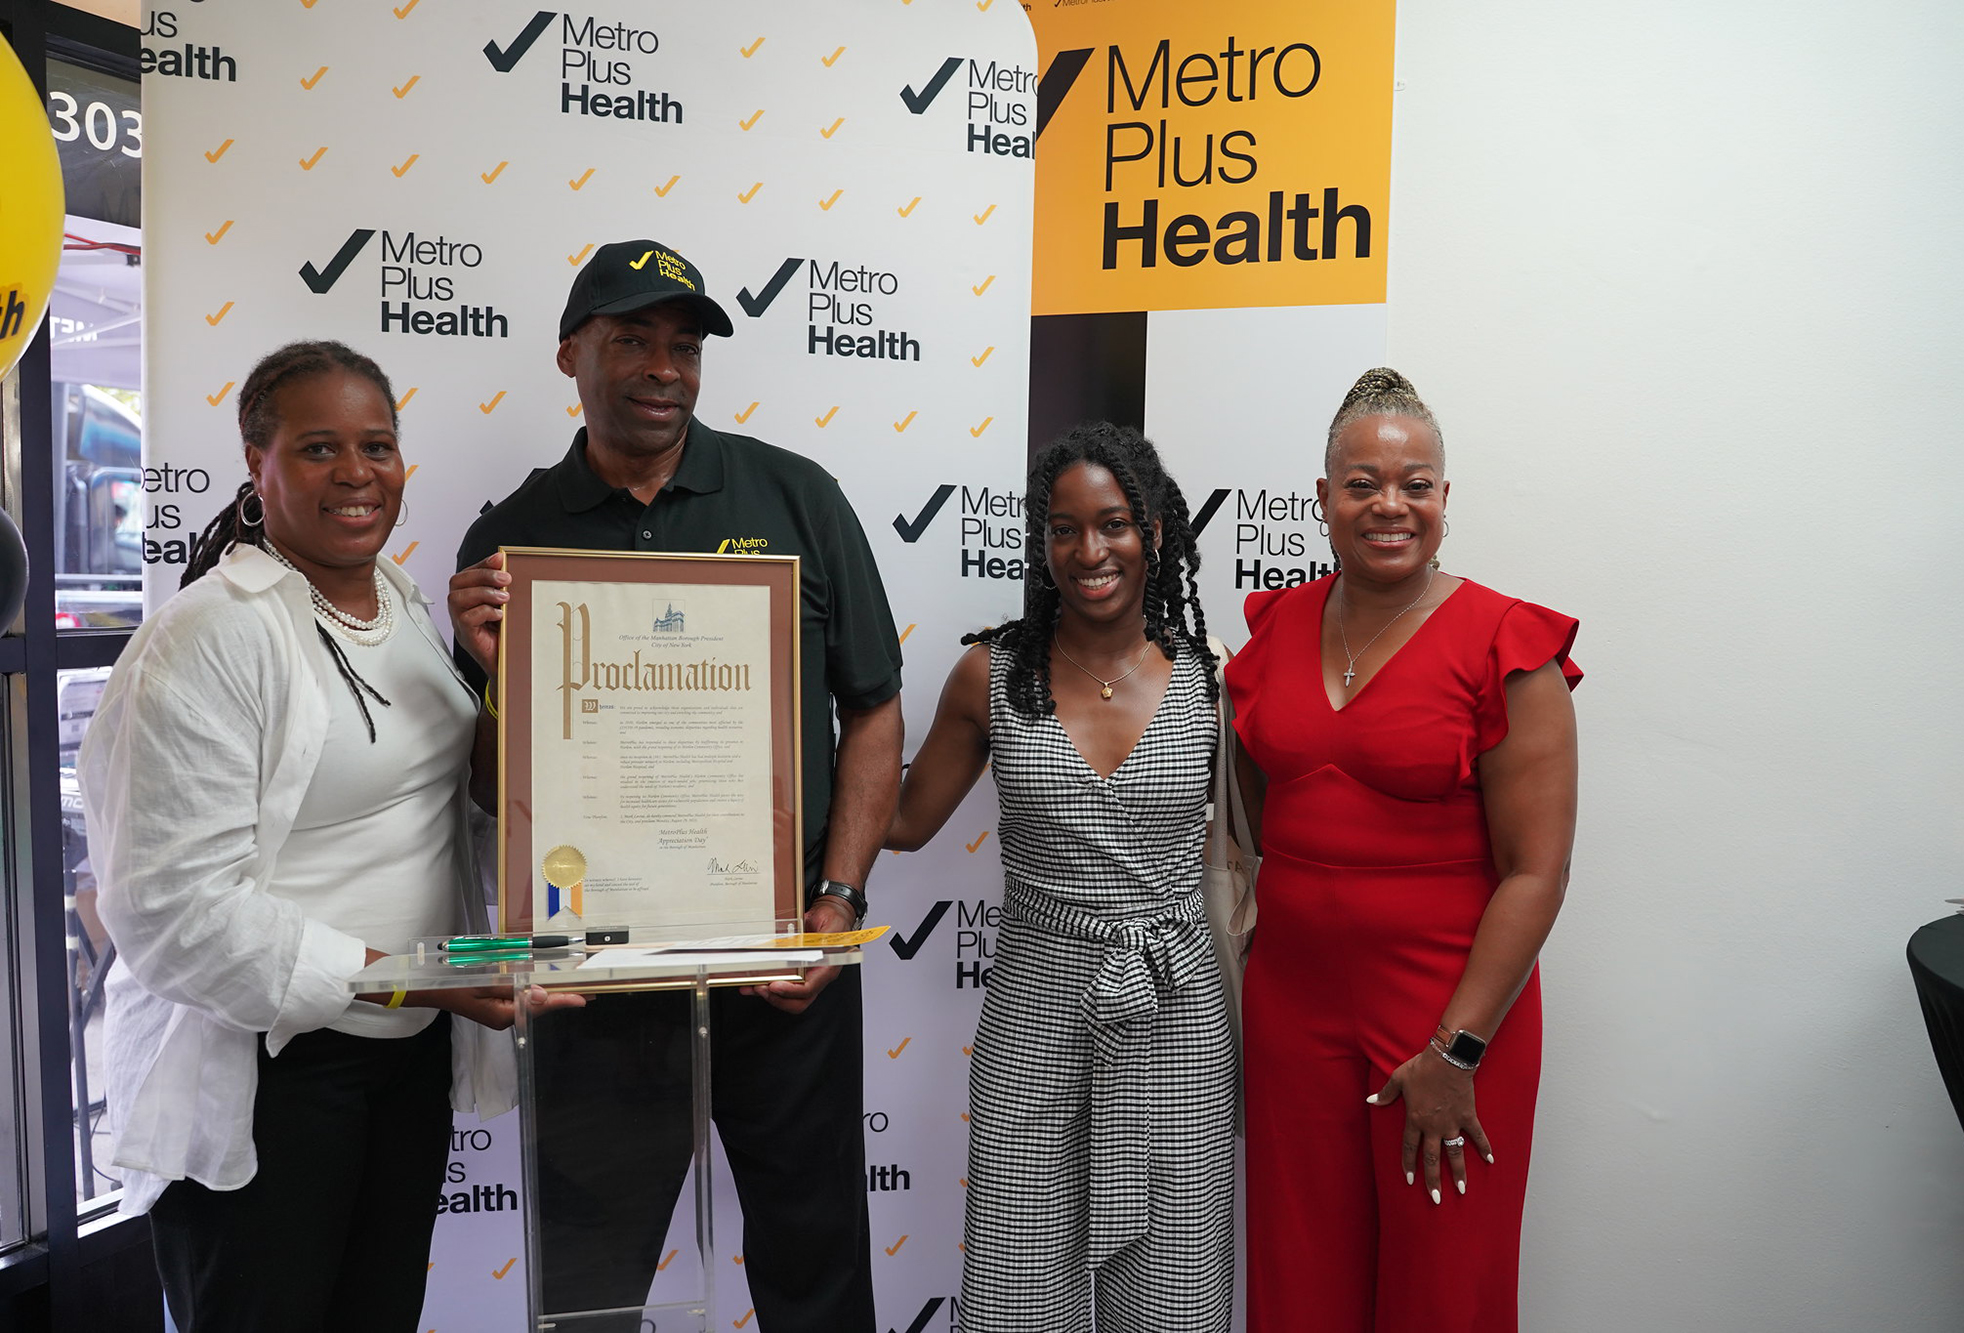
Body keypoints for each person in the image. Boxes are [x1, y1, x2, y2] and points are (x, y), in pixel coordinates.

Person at [446, 240, 904, 1333]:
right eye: (632, 340)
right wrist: (481, 667)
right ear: (571, 354)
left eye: (684, 346)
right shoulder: (510, 541)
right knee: (590, 1288)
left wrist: (834, 907)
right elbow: (483, 789)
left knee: (815, 1264)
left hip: (776, 959)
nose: (664, 367)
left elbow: (874, 709)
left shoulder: (797, 497)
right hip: (593, 982)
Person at [77, 340, 578, 1333]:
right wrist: (403, 974)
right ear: (257, 469)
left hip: (404, 1059)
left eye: (377, 445)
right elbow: (171, 911)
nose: (356, 473)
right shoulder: (206, 638)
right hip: (271, 1075)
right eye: (317, 448)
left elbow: (452, 805)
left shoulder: (392, 599)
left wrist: (502, 676)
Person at [1226, 368, 1581, 1333]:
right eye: (1362, 483)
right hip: (1292, 1012)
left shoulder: (1509, 644)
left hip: (1450, 1014)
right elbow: (1257, 827)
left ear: (1444, 499)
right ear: (1324, 498)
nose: (1390, 505)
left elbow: (1536, 873)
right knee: (1300, 1285)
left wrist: (1456, 1047)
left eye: (1415, 483)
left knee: (1442, 1292)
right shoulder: (1275, 632)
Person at [887, 423, 1235, 1333]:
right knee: (1015, 1292)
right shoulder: (989, 674)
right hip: (1035, 1011)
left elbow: (1271, 847)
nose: (1090, 551)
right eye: (1064, 528)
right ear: (1041, 543)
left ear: (1154, 530)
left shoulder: (1213, 683)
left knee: (1173, 1296)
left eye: (1113, 523)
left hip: (1176, 1012)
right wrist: (776, 733)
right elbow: (906, 819)